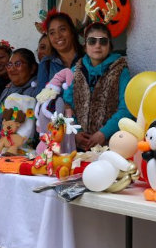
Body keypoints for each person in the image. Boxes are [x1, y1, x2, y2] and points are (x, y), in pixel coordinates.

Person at [63, 22, 132, 150]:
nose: (97, 45)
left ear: (110, 47)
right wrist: (76, 133)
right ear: (85, 46)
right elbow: (67, 105)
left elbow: (127, 108)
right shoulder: (75, 71)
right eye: (92, 41)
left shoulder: (121, 71)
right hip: (79, 146)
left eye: (103, 41)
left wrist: (103, 133)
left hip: (111, 144)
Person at [0, 47, 39, 133]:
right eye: (9, 65)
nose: (12, 69)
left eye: (18, 64)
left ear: (32, 68)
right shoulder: (7, 91)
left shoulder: (38, 91)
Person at [35, 12, 83, 91]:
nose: (58, 36)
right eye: (52, 33)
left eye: (62, 29)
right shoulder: (46, 63)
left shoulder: (87, 57)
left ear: (72, 31)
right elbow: (41, 95)